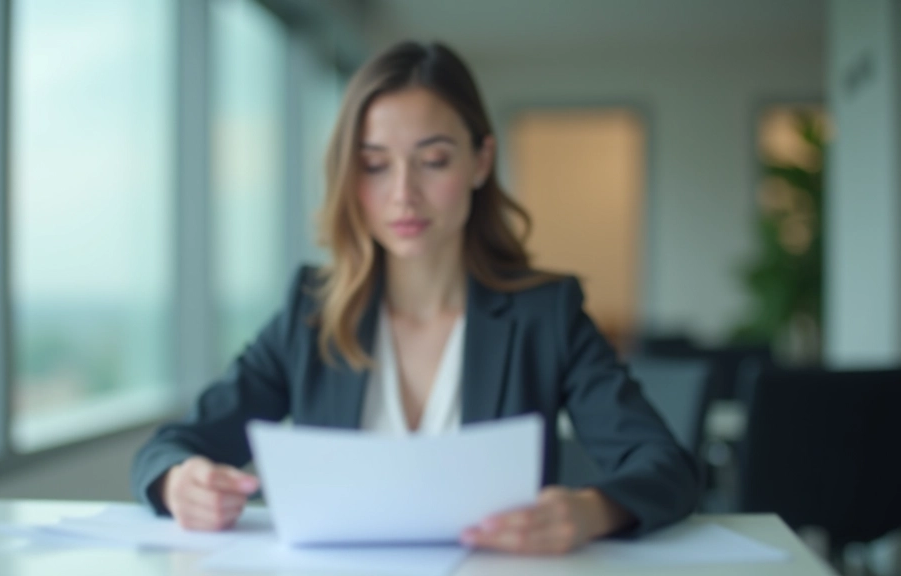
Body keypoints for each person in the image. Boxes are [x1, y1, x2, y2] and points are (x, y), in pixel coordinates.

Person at [132, 40, 700, 556]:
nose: (403, 194)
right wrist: (181, 481)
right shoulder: (311, 312)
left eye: (433, 161)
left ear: (480, 161)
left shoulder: (545, 316)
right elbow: (171, 447)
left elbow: (665, 466)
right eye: (375, 165)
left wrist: (588, 511)